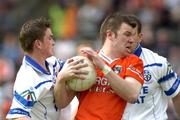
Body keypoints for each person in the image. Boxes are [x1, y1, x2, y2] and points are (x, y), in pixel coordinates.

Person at [55, 12, 144, 120]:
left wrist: (103, 67)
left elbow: (132, 95)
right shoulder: (86, 61)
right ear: (110, 35)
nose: (132, 40)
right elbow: (61, 103)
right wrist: (61, 79)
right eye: (127, 34)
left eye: (133, 36)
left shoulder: (134, 62)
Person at [6, 17, 88, 120]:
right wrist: (62, 78)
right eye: (50, 38)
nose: (53, 42)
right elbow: (18, 116)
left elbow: (72, 68)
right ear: (38, 44)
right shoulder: (28, 78)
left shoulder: (52, 62)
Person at [121, 14, 180, 120]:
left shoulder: (158, 63)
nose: (127, 39)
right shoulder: (108, 64)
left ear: (140, 37)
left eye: (131, 35)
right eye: (124, 35)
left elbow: (176, 96)